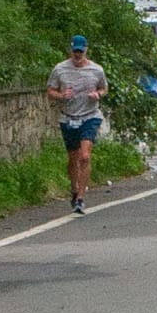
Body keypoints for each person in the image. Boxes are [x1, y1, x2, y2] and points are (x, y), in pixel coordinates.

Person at [46, 33, 108, 214]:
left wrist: (98, 95)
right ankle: (74, 189)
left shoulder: (97, 70)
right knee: (73, 158)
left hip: (90, 115)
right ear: (70, 50)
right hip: (68, 117)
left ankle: (81, 198)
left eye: (80, 52)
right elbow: (50, 90)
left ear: (86, 50)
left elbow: (104, 88)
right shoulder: (60, 69)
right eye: (75, 52)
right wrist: (61, 96)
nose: (77, 55)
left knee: (85, 156)